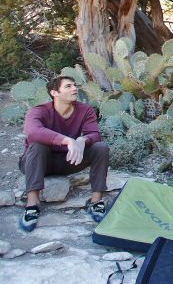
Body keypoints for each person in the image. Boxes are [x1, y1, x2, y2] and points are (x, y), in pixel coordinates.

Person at [19, 75, 110, 231]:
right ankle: (32, 205)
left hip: (69, 160)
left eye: (75, 85)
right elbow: (33, 132)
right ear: (55, 92)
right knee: (37, 145)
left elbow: (95, 134)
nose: (75, 88)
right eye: (68, 86)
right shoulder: (38, 111)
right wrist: (67, 140)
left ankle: (96, 202)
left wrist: (82, 140)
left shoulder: (85, 110)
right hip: (38, 161)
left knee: (101, 147)